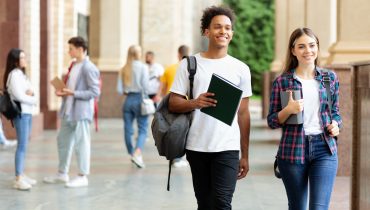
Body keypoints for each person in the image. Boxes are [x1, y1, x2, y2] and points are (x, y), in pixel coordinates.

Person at [169, 6, 252, 209]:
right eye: (217, 27)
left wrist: (245, 155)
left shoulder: (241, 69)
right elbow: (173, 103)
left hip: (227, 147)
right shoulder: (189, 65)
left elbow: (243, 113)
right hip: (197, 146)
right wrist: (195, 103)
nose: (223, 31)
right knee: (204, 204)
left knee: (223, 204)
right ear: (206, 32)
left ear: (232, 33)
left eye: (227, 28)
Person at [267, 27, 342, 210]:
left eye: (311, 45)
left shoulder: (329, 78)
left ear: (317, 47)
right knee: (298, 206)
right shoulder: (283, 81)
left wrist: (336, 124)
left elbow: (336, 113)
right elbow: (272, 120)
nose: (308, 51)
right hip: (293, 150)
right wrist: (288, 110)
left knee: (319, 207)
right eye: (301, 46)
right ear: (293, 50)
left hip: (324, 148)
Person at [43, 36, 101, 188]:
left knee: (82, 144)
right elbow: (72, 88)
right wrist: (63, 92)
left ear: (80, 49)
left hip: (81, 113)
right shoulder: (74, 65)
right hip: (68, 111)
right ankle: (62, 173)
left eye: (71, 49)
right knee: (63, 141)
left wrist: (73, 93)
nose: (69, 52)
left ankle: (82, 176)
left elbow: (95, 92)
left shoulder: (89, 68)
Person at [4, 48, 37, 190]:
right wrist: (32, 98)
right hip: (21, 113)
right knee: (21, 146)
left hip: (27, 113)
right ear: (15, 60)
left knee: (24, 145)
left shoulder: (22, 75)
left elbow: (31, 91)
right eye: (22, 57)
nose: (25, 59)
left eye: (25, 57)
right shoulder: (14, 75)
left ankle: (21, 174)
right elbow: (19, 96)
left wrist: (31, 95)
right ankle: (18, 178)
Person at [117, 45, 149, 168]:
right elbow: (145, 86)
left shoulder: (123, 69)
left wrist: (128, 90)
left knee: (128, 129)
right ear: (138, 54)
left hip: (128, 99)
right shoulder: (143, 67)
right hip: (140, 99)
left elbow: (120, 90)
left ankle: (131, 152)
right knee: (142, 129)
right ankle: (137, 152)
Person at [160, 45, 190, 168]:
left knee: (172, 131)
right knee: (182, 131)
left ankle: (173, 156)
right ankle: (177, 158)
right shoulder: (190, 68)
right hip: (185, 104)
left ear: (178, 54)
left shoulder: (169, 69)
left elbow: (162, 89)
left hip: (170, 103)